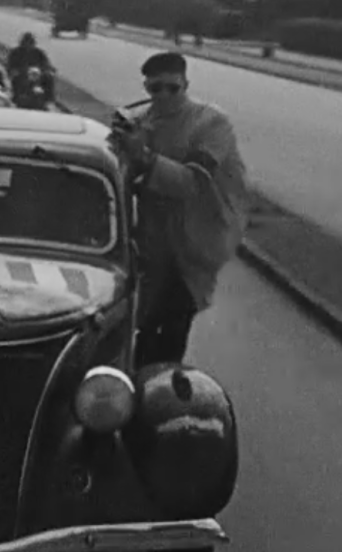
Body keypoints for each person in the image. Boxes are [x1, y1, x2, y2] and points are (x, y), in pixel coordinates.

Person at [110, 52, 248, 369]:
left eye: (172, 88)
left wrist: (144, 156)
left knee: (173, 323)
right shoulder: (139, 122)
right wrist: (119, 147)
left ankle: (161, 385)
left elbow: (192, 183)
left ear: (186, 84)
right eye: (155, 88)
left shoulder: (211, 123)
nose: (164, 96)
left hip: (201, 238)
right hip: (153, 242)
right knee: (142, 325)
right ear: (146, 88)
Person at [6, 32, 55, 102]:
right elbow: (10, 64)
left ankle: (49, 98)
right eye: (26, 42)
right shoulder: (15, 52)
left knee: (49, 77)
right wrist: (13, 70)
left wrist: (49, 69)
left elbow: (46, 63)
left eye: (30, 42)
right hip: (21, 73)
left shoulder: (39, 53)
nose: (28, 44)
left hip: (36, 73)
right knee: (16, 78)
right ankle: (16, 95)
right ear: (22, 43)